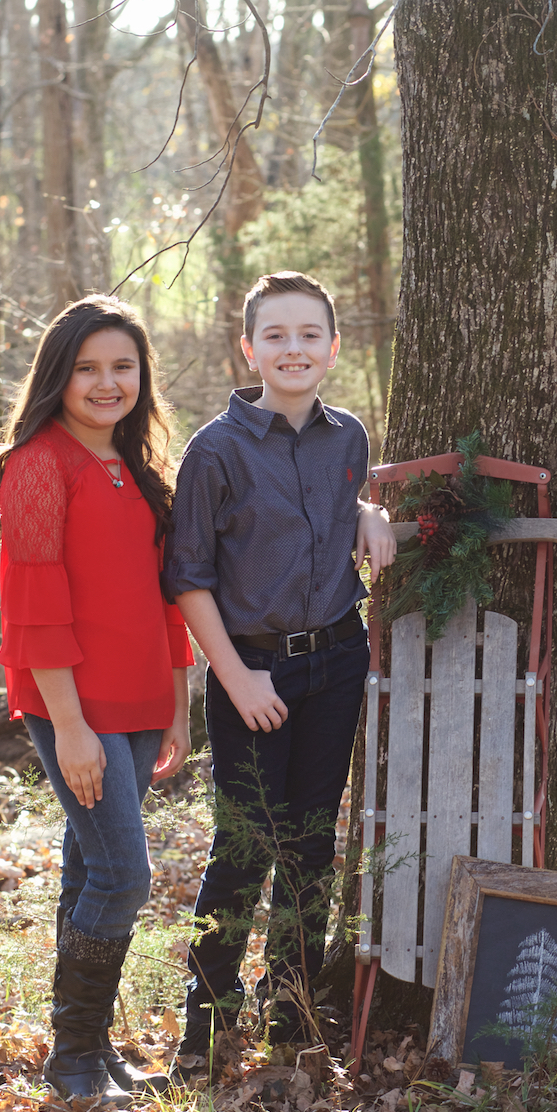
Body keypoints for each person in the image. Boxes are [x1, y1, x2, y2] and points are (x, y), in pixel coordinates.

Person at [163, 271, 395, 1068]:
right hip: (250, 671)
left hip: (336, 660)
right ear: (249, 347)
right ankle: (203, 1025)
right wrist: (234, 678)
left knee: (310, 845)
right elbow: (188, 578)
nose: (292, 349)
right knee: (244, 844)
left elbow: (336, 510)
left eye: (308, 335)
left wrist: (371, 514)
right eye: (275, 335)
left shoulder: (349, 439)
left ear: (332, 347)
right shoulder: (215, 451)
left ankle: (291, 1017)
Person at [0, 296, 195, 1105]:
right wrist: (68, 725)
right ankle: (71, 1058)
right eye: (88, 368)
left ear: (142, 376)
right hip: (74, 703)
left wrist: (177, 700)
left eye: (122, 367)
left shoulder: (136, 467)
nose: (107, 383)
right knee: (124, 874)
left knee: (88, 870)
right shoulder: (40, 462)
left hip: (141, 699)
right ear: (58, 376)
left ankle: (91, 1055)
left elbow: (164, 596)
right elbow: (32, 605)